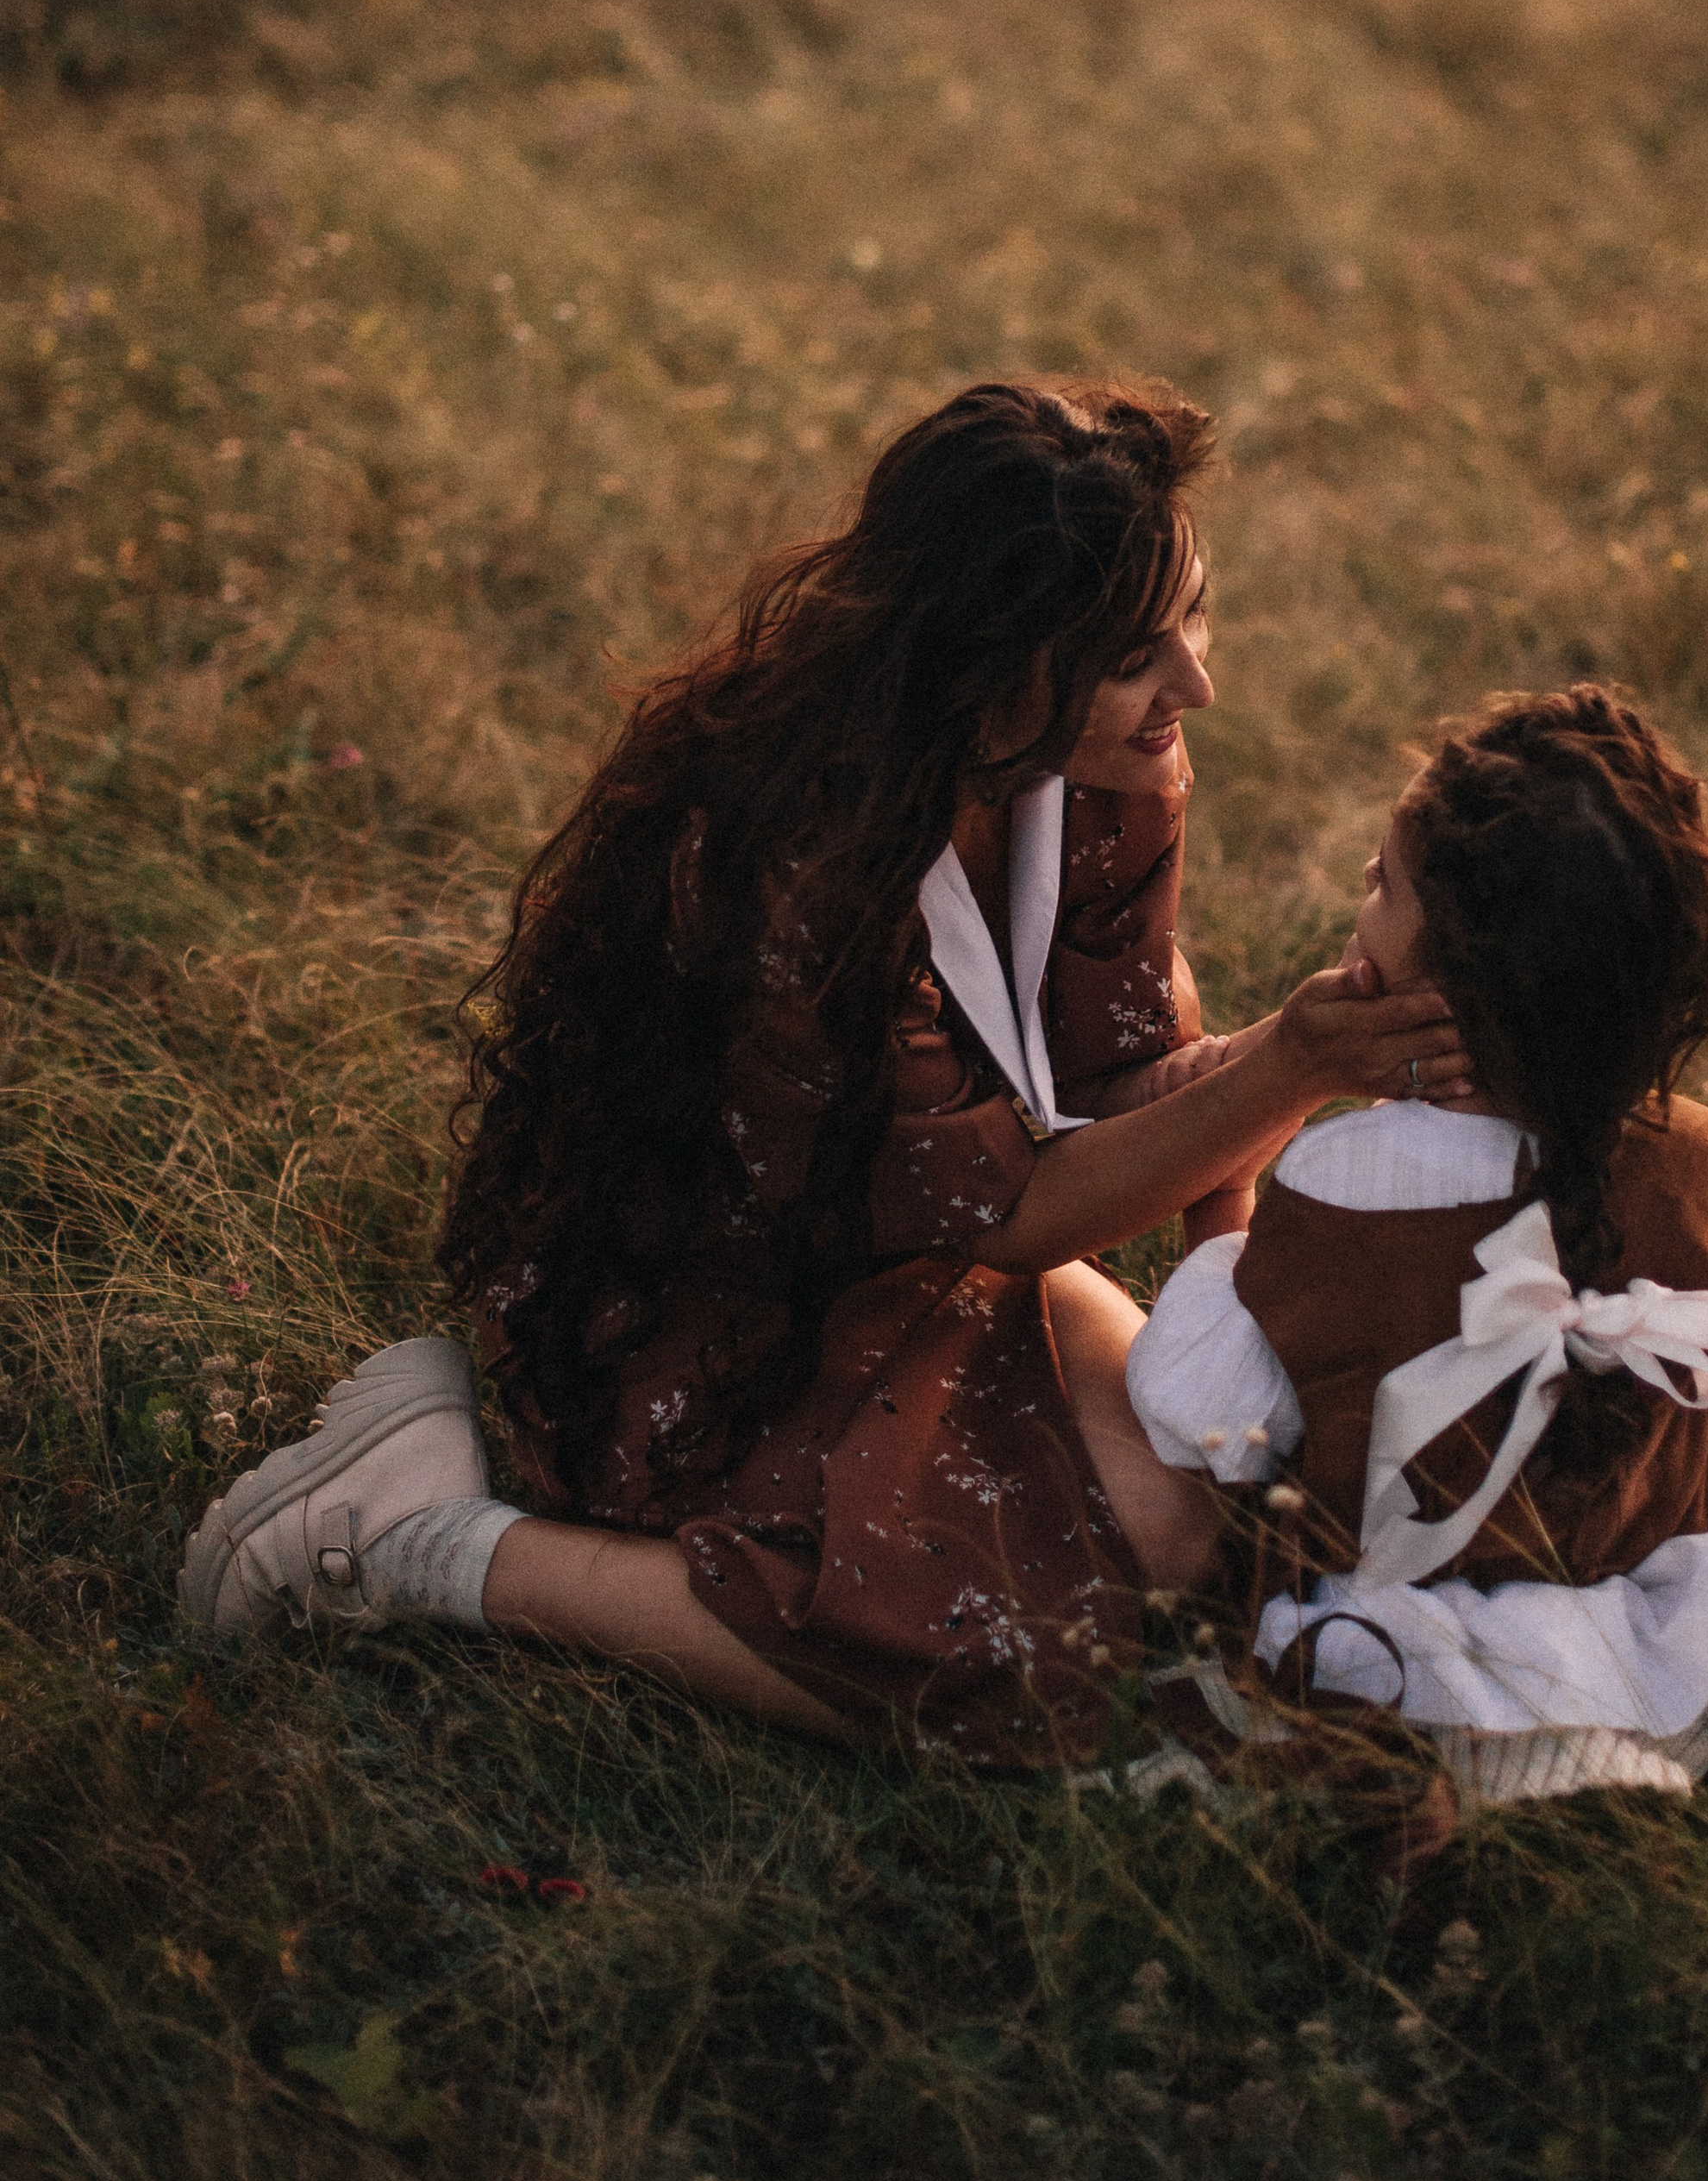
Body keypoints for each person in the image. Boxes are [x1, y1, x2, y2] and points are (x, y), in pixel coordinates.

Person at [178, 378, 1469, 1764]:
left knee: (1190, 1532)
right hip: (709, 1292)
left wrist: (1271, 1212)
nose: (1194, 684)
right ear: (993, 658)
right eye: (1134, 654)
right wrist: (1297, 1061)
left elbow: (1120, 1078)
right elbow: (1017, 1212)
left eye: (1193, 619)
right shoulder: (807, 858)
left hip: (922, 1243)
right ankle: (423, 1539)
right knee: (1017, 1669)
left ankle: (466, 1498)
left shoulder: (1107, 760)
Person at [1128, 685, 1708, 1801]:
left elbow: (1200, 1418)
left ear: (1452, 982)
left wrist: (1224, 1210)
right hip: (1655, 1562)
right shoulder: (1704, 1162)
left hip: (1395, 1616)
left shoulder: (1328, 1189)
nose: (1362, 888)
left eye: (1383, 884)